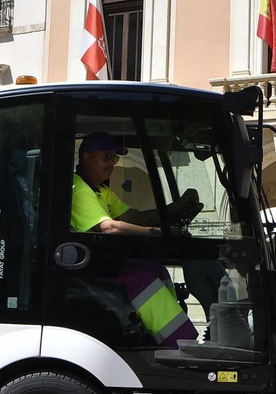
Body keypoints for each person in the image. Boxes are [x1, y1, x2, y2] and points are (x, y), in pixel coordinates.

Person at [71, 132, 200, 347]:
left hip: (103, 263)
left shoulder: (101, 190)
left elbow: (135, 217)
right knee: (143, 279)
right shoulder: (79, 190)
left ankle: (163, 336)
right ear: (87, 158)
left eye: (114, 158)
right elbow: (109, 227)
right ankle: (180, 343)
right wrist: (156, 233)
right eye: (107, 157)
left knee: (157, 269)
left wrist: (177, 207)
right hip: (88, 268)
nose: (112, 163)